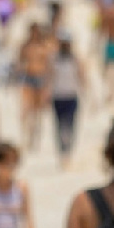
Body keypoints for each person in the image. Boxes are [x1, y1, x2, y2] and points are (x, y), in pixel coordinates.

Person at [49, 31, 88, 170]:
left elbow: (82, 76)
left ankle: (69, 152)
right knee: (59, 126)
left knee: (70, 125)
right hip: (57, 96)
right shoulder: (54, 58)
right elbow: (49, 77)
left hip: (71, 95)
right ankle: (62, 153)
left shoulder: (75, 59)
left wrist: (87, 93)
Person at [17, 22, 52, 150]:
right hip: (28, 78)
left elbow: (48, 66)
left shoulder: (44, 46)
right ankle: (26, 135)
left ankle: (35, 137)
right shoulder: (25, 46)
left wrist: (48, 84)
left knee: (38, 111)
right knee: (27, 108)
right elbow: (19, 62)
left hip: (40, 78)